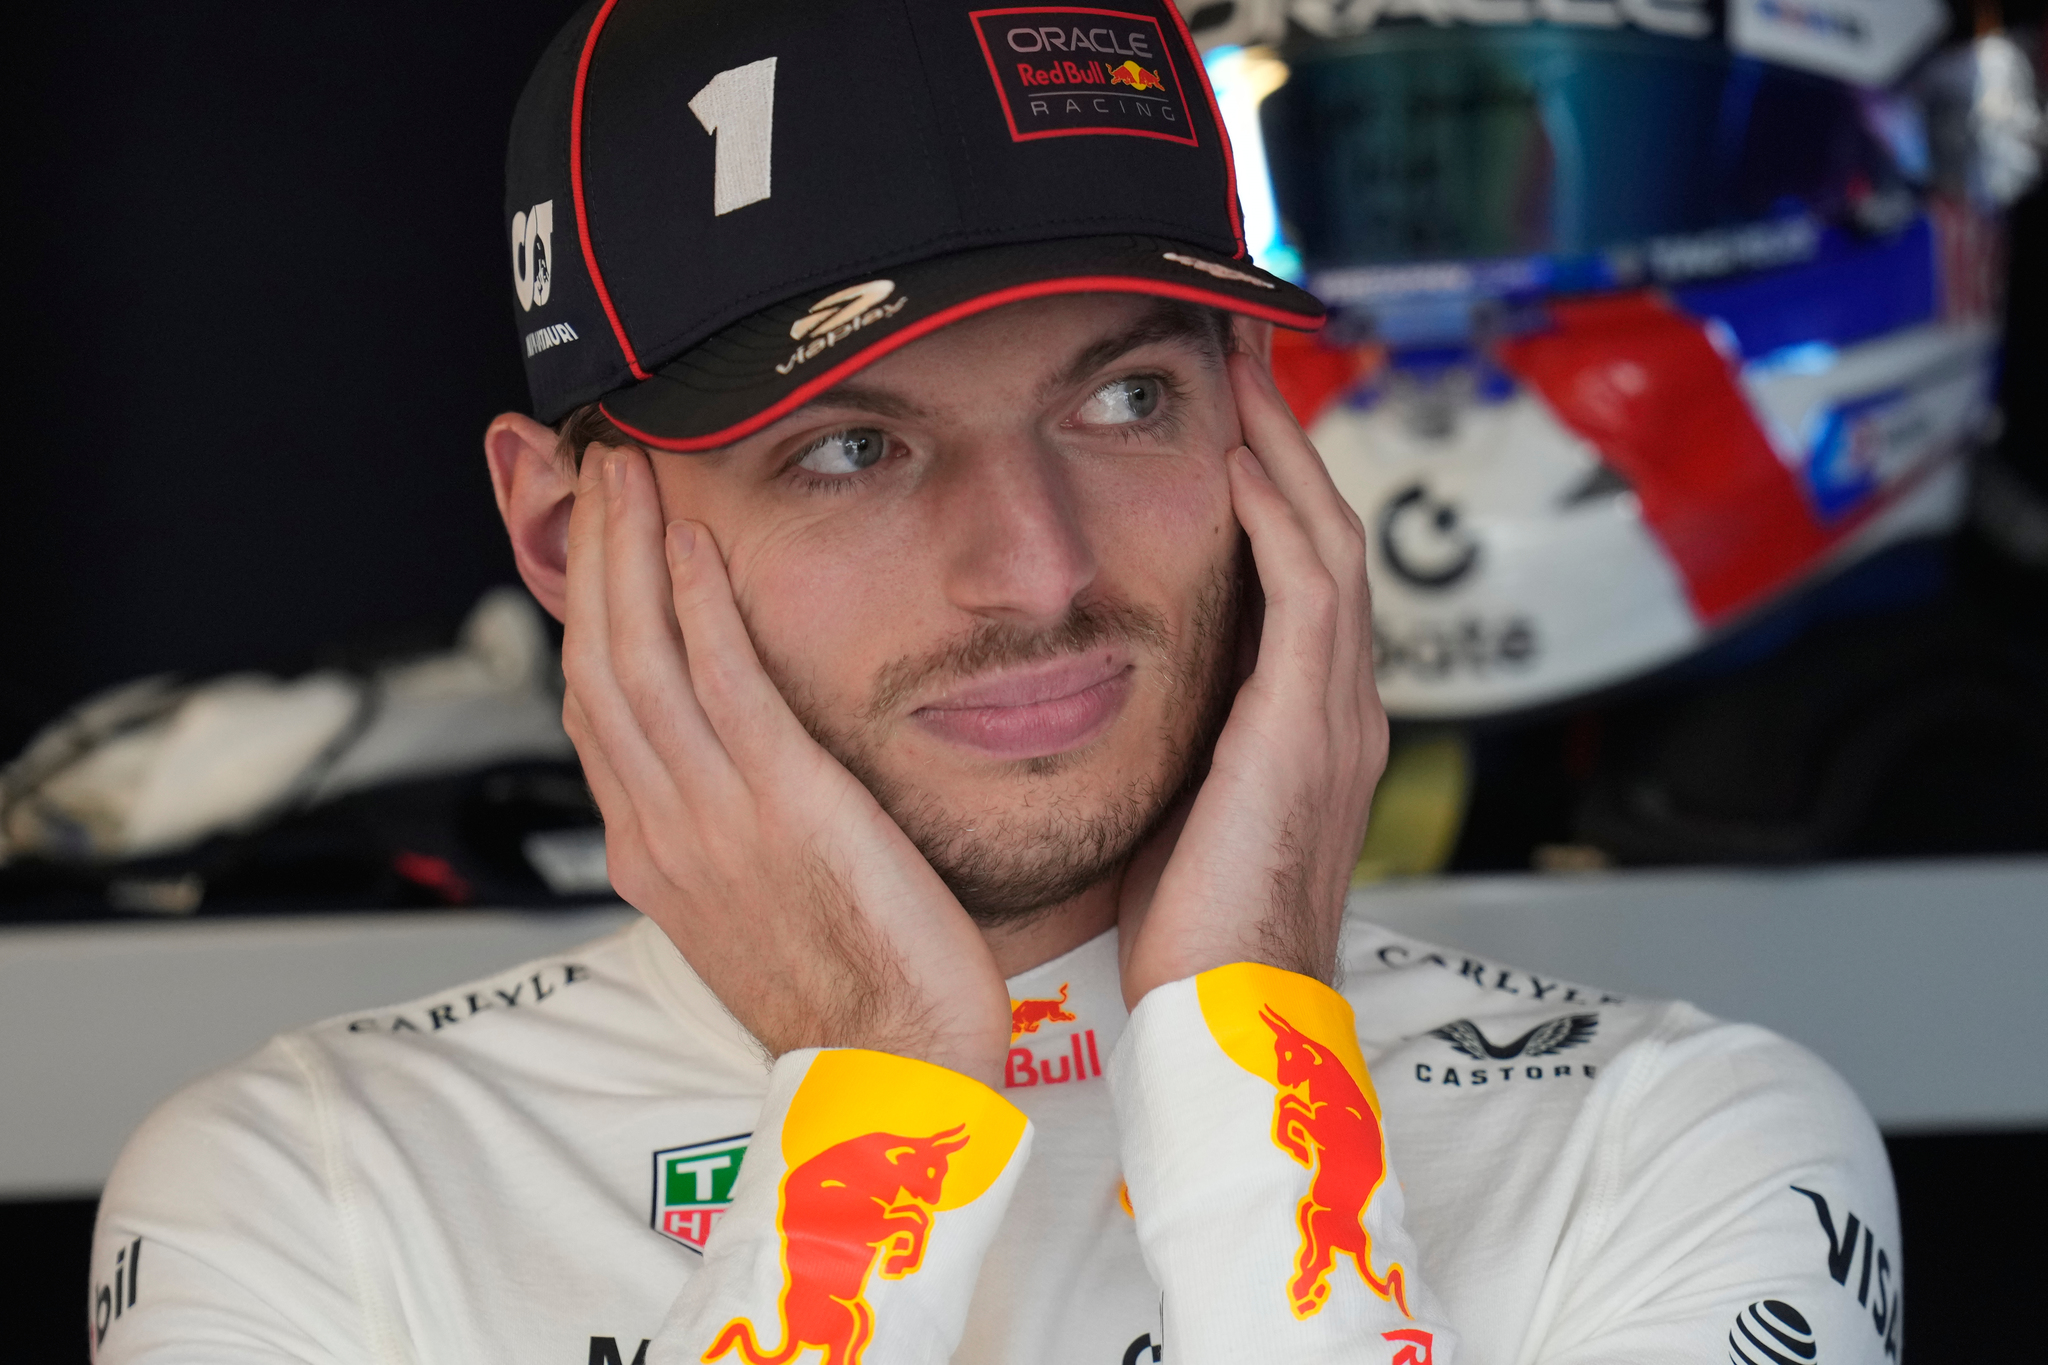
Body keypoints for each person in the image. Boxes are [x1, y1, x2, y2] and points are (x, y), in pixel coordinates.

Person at [88, 2, 1902, 1363]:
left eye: (1125, 400)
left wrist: (1258, 1056)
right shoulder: (303, 1198)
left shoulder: (1682, 1144)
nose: (1036, 569)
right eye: (849, 450)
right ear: (572, 537)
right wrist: (876, 1090)